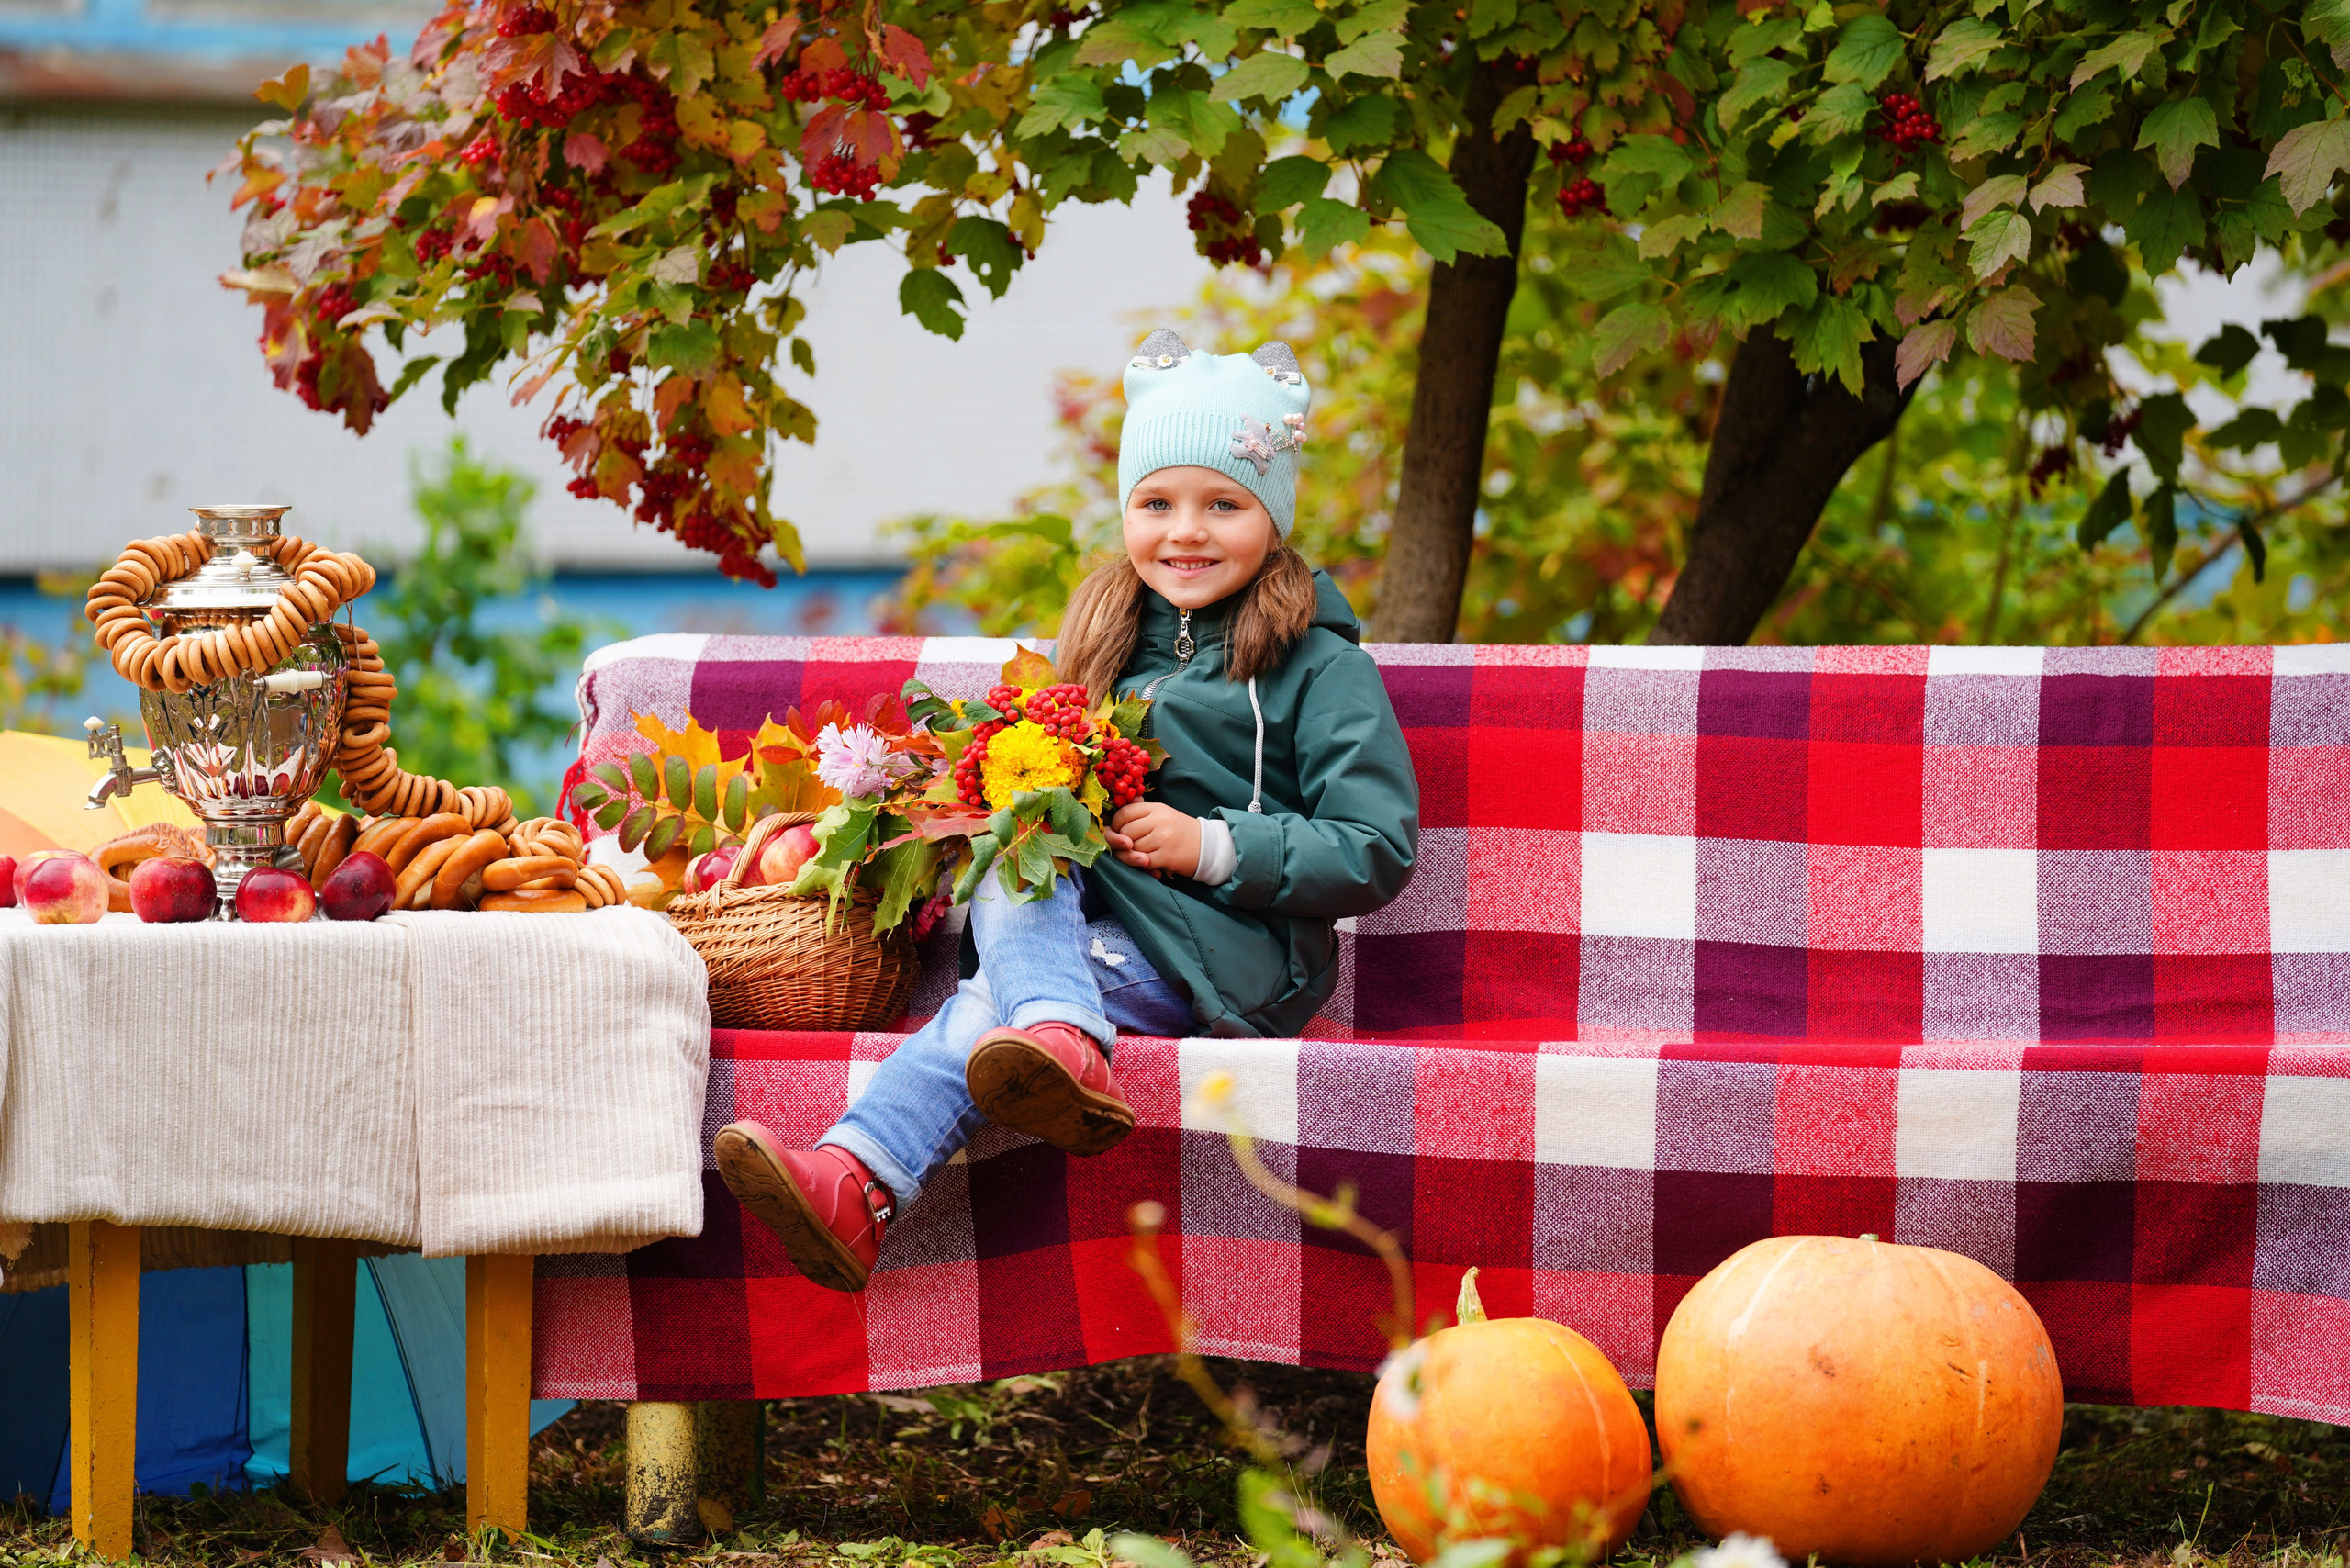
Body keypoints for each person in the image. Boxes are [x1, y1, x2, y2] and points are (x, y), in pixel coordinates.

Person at [712, 329, 1422, 1290]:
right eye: (1156, 503)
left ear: (1273, 516)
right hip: (1085, 929)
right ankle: (1048, 1047)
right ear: (1126, 510)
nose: (1186, 531)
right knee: (1016, 840)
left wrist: (1211, 844)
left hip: (1228, 953)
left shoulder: (1319, 667)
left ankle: (866, 1173)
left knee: (998, 998)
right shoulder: (1102, 641)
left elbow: (1375, 847)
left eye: (1223, 503)